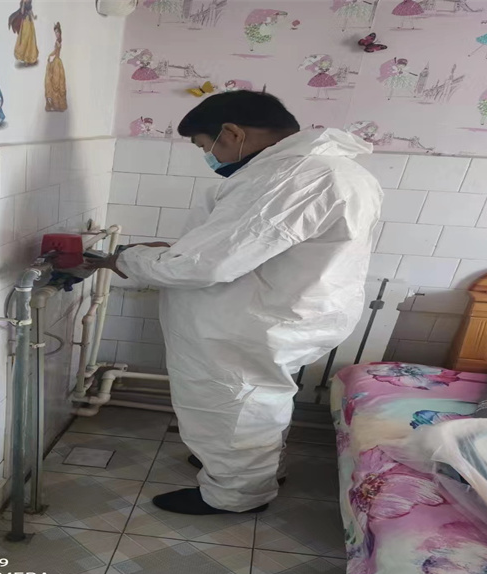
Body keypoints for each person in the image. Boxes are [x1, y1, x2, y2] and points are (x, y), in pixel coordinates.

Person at [88, 91, 382, 515]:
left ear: (232, 133)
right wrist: (173, 253)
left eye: (205, 146)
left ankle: (236, 494)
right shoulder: (331, 169)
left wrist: (127, 258)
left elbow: (207, 264)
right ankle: (250, 468)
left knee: (232, 403)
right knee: (256, 399)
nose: (209, 156)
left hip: (254, 319)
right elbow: (246, 247)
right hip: (284, 308)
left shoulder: (294, 175)